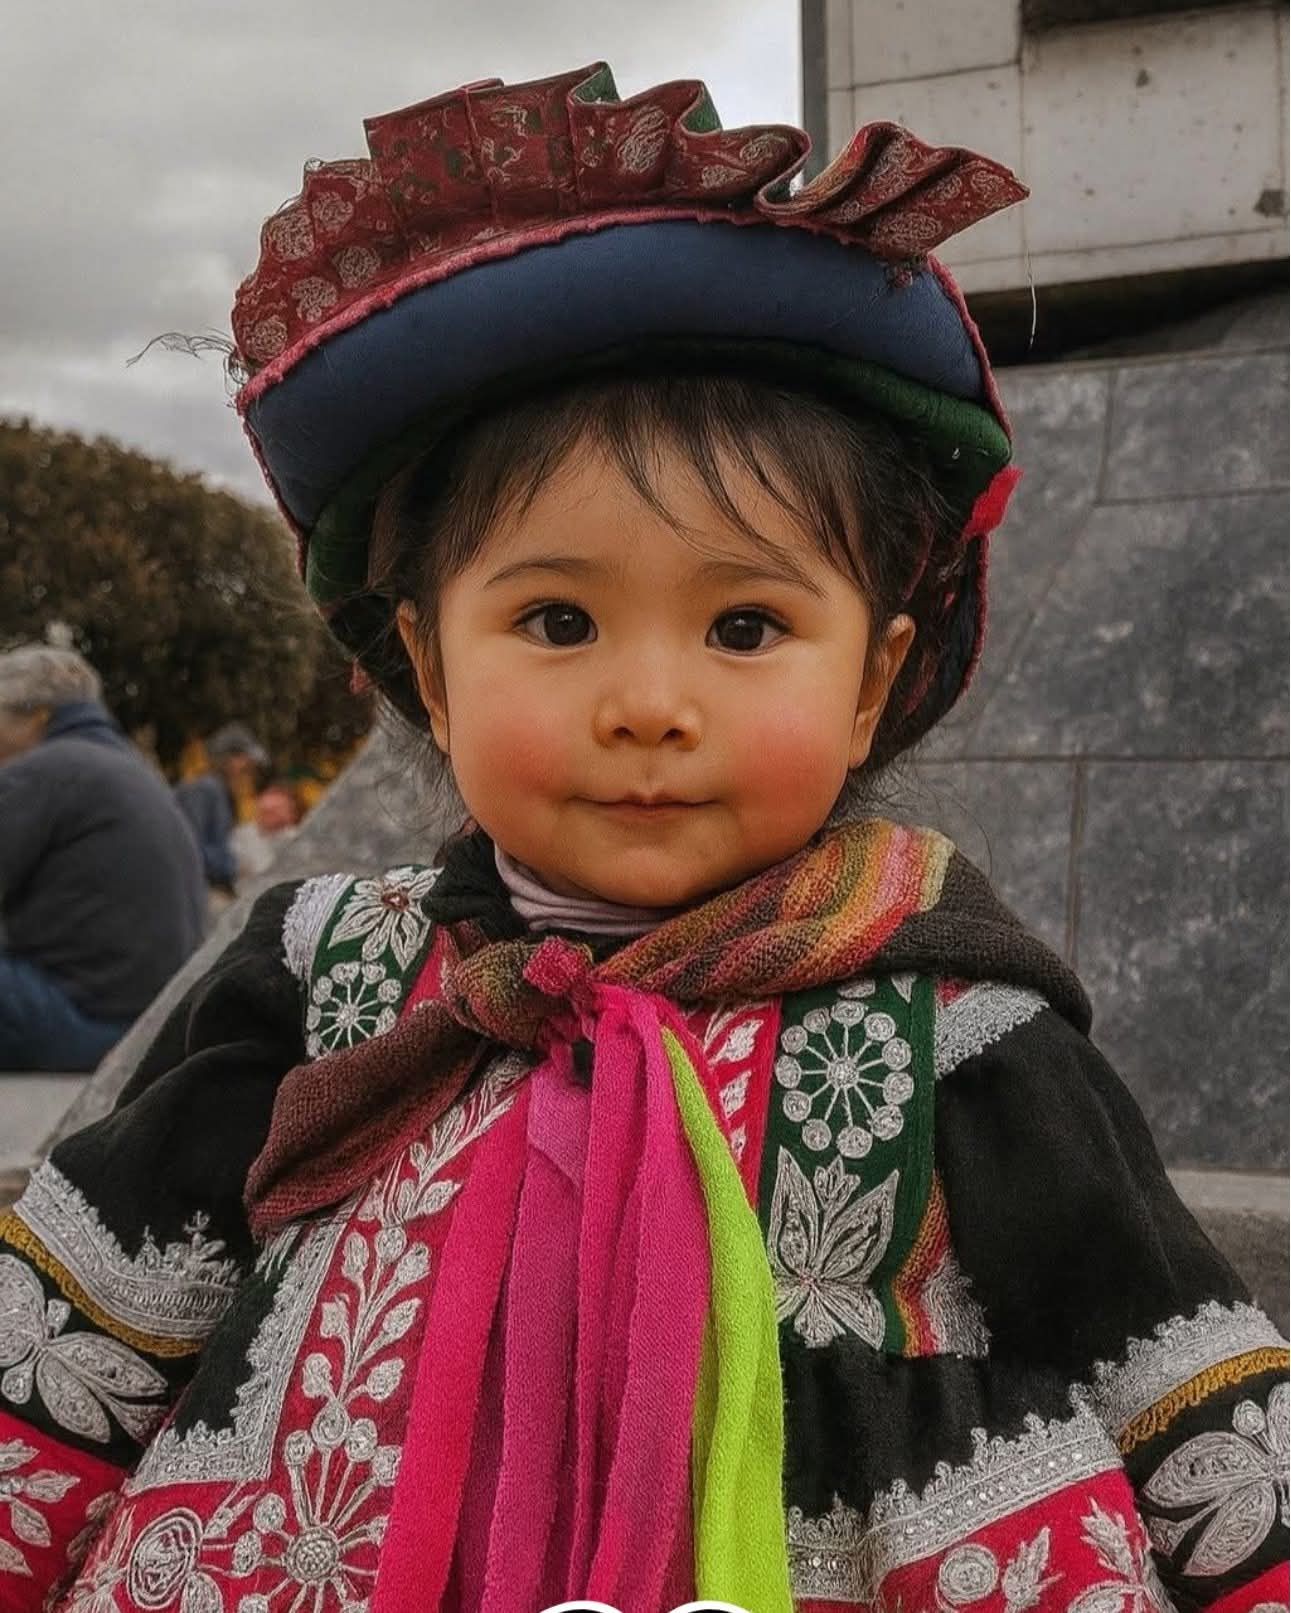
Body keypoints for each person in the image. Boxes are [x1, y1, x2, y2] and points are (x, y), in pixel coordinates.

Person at [0, 66, 1283, 1613]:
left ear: (868, 682)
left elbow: (1179, 1395)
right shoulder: (324, 983)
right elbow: (81, 1334)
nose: (649, 706)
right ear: (428, 666)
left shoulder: (960, 1029)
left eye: (744, 626)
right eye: (557, 619)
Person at [0, 645, 206, 1072]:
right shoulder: (134, 770)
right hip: (142, 1027)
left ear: (36, 715)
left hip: (75, 1018)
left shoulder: (43, 771)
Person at [173, 721, 269, 898]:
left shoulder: (222, 793)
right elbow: (190, 848)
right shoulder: (204, 790)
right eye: (243, 761)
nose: (248, 773)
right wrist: (234, 866)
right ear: (226, 759)